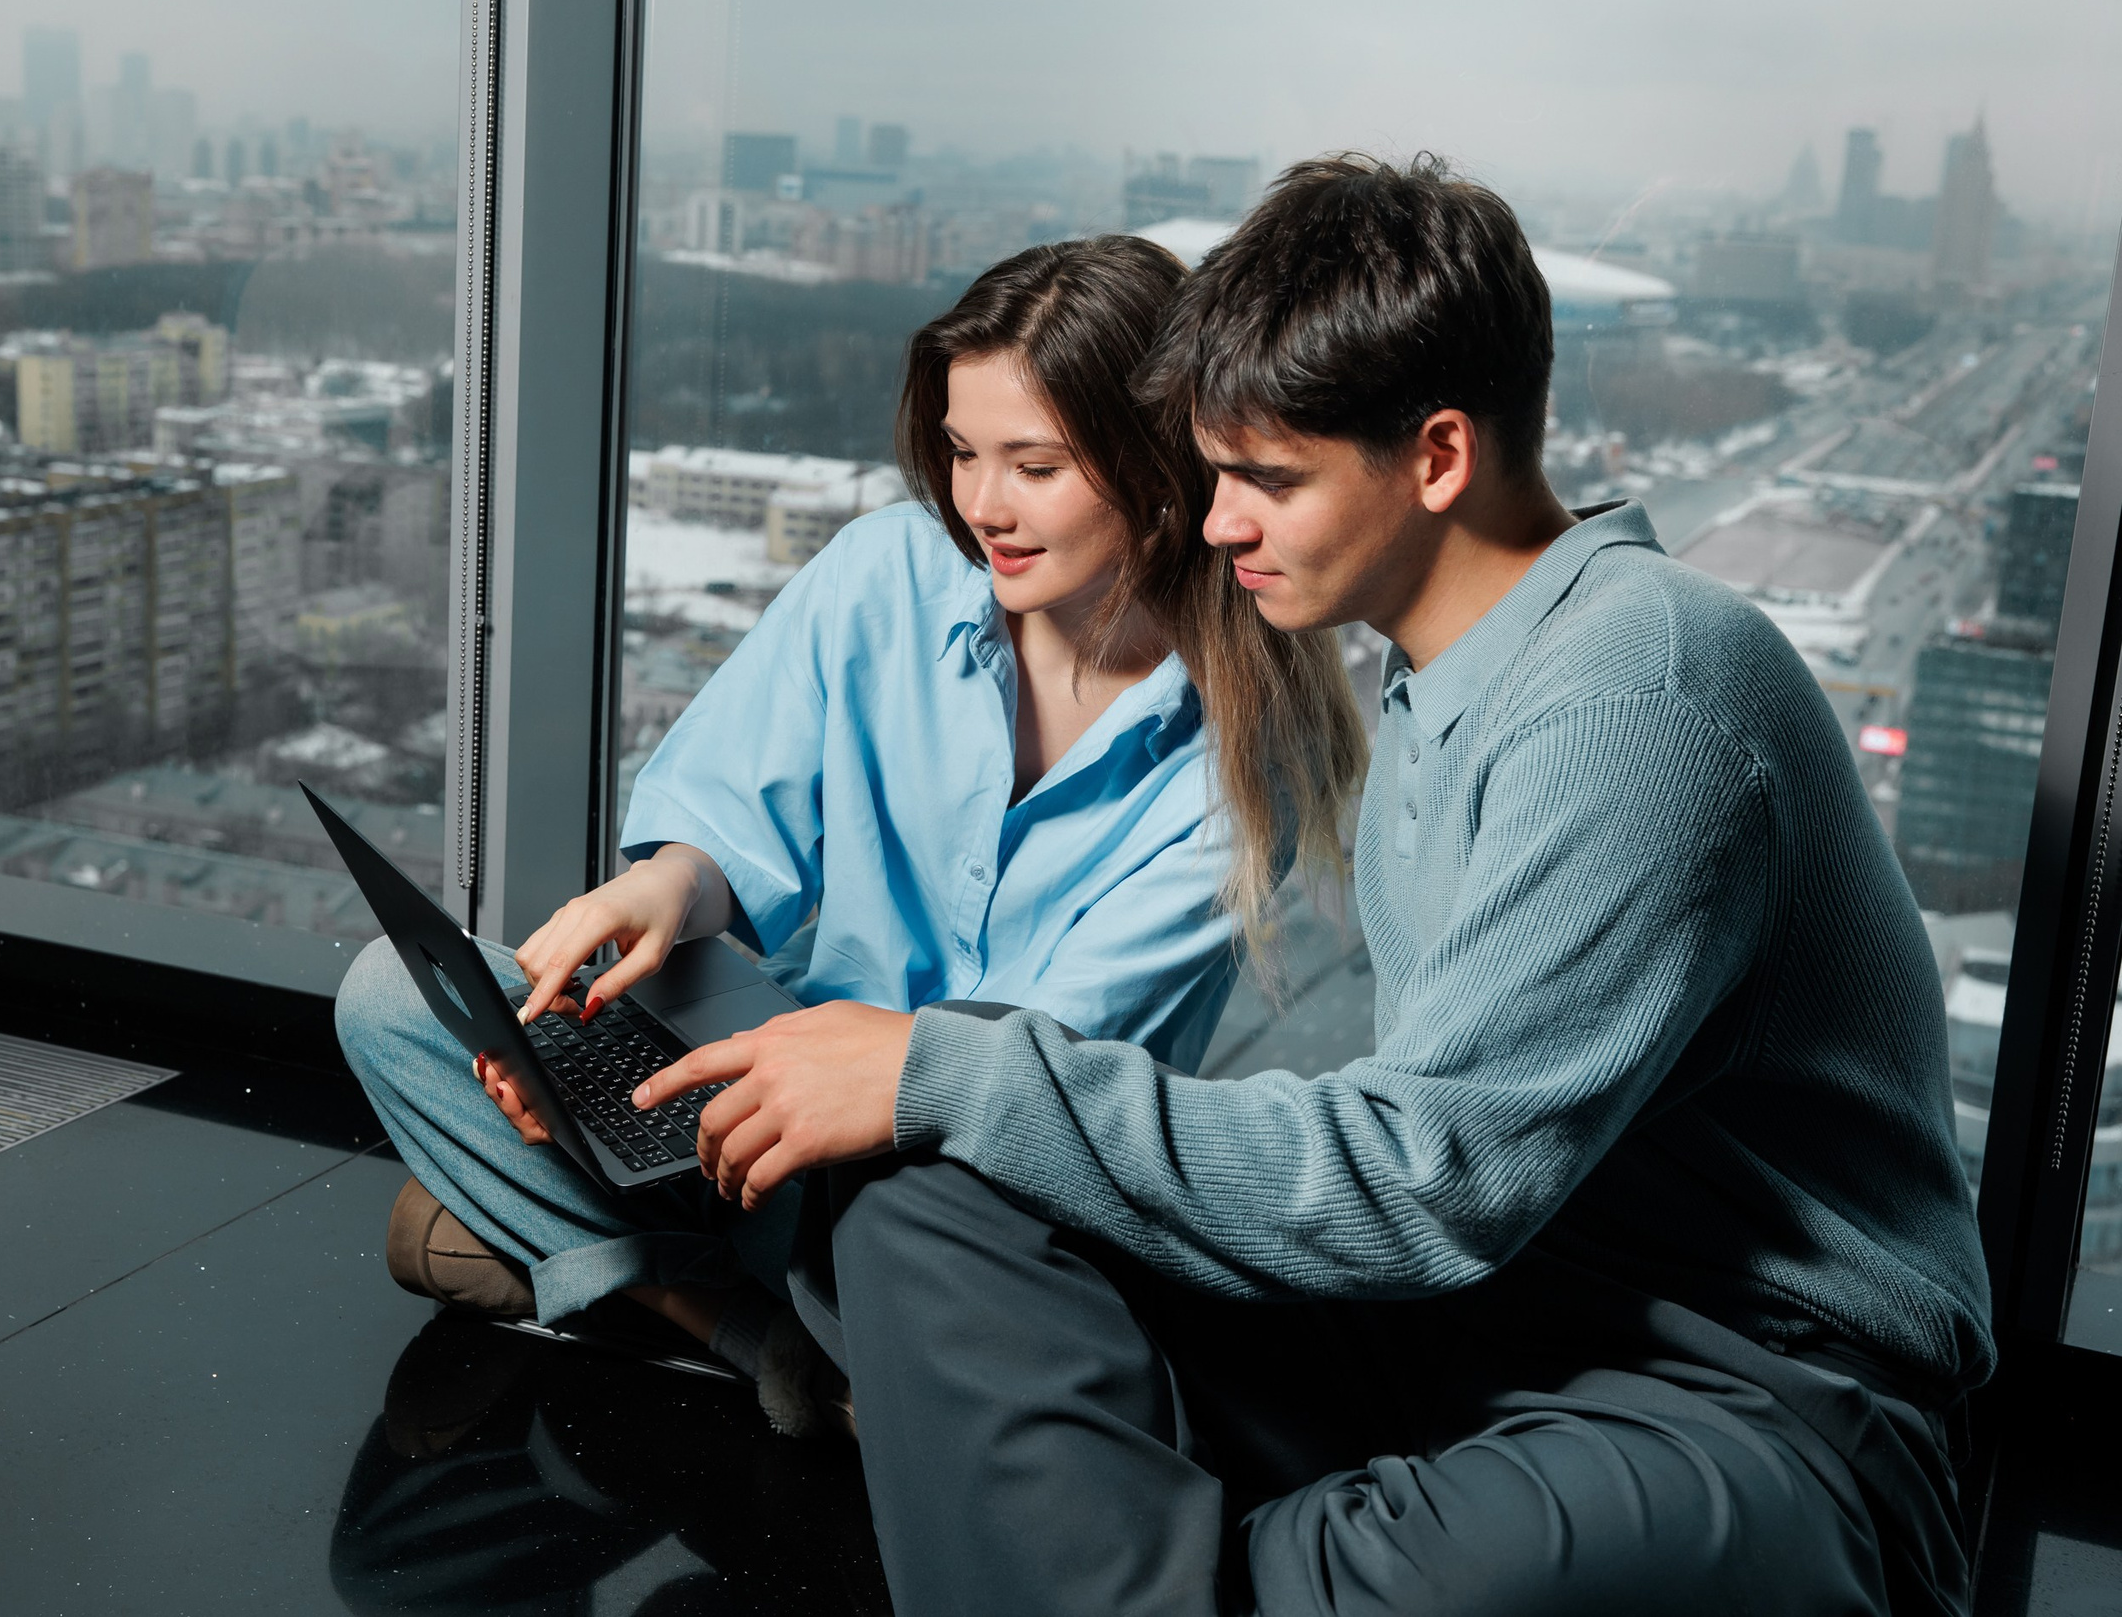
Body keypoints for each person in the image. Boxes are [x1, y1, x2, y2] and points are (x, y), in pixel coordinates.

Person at [633, 156, 1993, 1614]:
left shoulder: (1638, 690)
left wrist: (953, 1065)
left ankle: (1127, 1549)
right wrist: (938, 1094)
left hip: (1753, 1393)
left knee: (1303, 1548)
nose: (1215, 523)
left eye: (1267, 478)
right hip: (1467, 1331)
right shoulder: (1434, 691)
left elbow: (1432, 1179)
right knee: (924, 1201)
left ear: (1439, 457)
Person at [332, 234, 1363, 1427]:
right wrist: (671, 888)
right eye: (964, 453)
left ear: (1157, 468)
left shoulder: (1246, 751)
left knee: (928, 1237)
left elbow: (1029, 1067)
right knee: (390, 999)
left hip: (981, 1176)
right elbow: (730, 816)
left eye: (1034, 465)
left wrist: (709, 1104)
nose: (982, 505)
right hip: (768, 1078)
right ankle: (743, 1327)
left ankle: (623, 1267)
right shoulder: (883, 575)